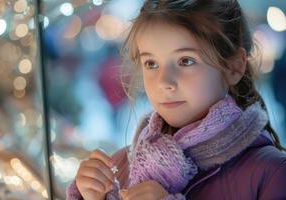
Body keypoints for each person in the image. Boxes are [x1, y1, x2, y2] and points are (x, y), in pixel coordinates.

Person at [66, 0, 286, 199]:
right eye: (151, 64)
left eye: (185, 61)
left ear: (233, 67)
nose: (164, 81)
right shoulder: (121, 165)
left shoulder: (271, 173)